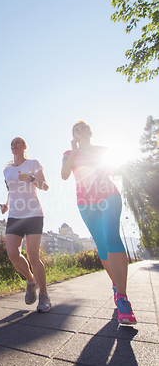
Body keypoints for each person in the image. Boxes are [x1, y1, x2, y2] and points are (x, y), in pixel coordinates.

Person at [61, 121, 136, 325]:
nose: (80, 131)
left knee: (112, 237)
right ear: (74, 136)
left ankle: (122, 299)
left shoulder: (103, 150)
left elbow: (115, 170)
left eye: (83, 128)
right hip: (85, 202)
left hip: (108, 194)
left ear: (90, 132)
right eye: (76, 129)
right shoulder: (69, 153)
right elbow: (65, 174)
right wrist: (75, 152)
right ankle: (116, 284)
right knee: (102, 246)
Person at [0, 137, 51, 312]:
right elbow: (10, 191)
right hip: (14, 215)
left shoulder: (33, 163)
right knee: (12, 253)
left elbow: (44, 186)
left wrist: (30, 178)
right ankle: (31, 280)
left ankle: (44, 295)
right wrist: (6, 205)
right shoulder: (7, 171)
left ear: (25, 147)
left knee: (33, 256)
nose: (13, 145)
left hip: (33, 214)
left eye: (17, 143)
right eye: (11, 143)